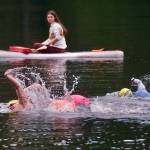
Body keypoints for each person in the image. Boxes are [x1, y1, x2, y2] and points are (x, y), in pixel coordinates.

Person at [4, 69, 91, 112]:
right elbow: (19, 88)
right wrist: (9, 76)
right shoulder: (25, 104)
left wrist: (9, 76)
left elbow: (19, 87)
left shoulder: (24, 105)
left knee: (36, 86)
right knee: (36, 86)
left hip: (66, 104)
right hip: (67, 105)